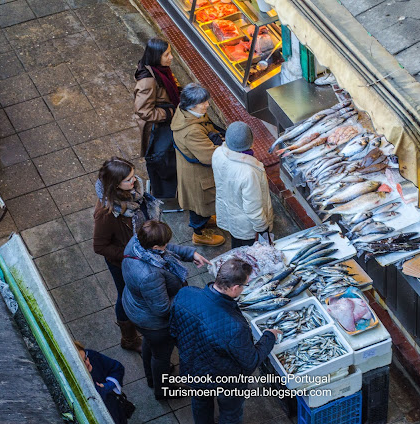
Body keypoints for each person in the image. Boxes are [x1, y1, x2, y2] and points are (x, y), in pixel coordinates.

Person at [170, 258, 281, 424]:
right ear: (235, 288)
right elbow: (250, 362)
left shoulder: (185, 294)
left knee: (200, 401)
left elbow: (173, 330)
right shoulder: (235, 327)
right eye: (245, 285)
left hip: (194, 368)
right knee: (230, 413)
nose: (244, 289)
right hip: (226, 379)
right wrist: (269, 336)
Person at [121, 220, 211, 400]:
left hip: (137, 309)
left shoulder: (137, 242)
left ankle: (151, 378)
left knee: (151, 345)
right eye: (163, 244)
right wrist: (189, 298)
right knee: (161, 357)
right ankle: (162, 389)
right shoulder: (150, 275)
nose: (166, 246)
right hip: (154, 323)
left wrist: (190, 253)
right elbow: (162, 308)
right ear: (154, 246)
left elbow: (167, 250)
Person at [93, 157, 162, 353]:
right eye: (129, 179)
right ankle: (129, 339)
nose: (135, 181)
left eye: (133, 176)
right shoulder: (106, 213)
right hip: (124, 262)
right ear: (115, 185)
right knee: (125, 296)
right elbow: (99, 246)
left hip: (142, 253)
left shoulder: (134, 193)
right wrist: (131, 254)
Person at [171, 83, 226, 247]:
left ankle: (205, 220)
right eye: (203, 103)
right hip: (198, 176)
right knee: (199, 204)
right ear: (191, 105)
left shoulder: (187, 113)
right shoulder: (191, 131)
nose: (207, 105)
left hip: (193, 172)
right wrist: (223, 148)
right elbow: (210, 156)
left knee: (202, 204)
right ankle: (199, 234)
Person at [212, 121, 274, 248]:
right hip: (247, 226)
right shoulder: (248, 172)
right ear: (250, 142)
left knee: (237, 246)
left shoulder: (218, 153)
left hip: (230, 213)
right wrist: (262, 228)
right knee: (251, 256)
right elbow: (253, 208)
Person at [134, 37, 180, 198]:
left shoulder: (161, 69)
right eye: (167, 54)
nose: (171, 57)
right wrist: (169, 113)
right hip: (158, 126)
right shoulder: (148, 80)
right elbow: (143, 111)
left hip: (166, 118)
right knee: (164, 156)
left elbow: (169, 87)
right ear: (156, 56)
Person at [74, 341, 128, 424]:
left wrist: (108, 386)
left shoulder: (92, 356)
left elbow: (117, 368)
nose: (87, 363)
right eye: (82, 363)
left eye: (85, 358)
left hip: (113, 407)